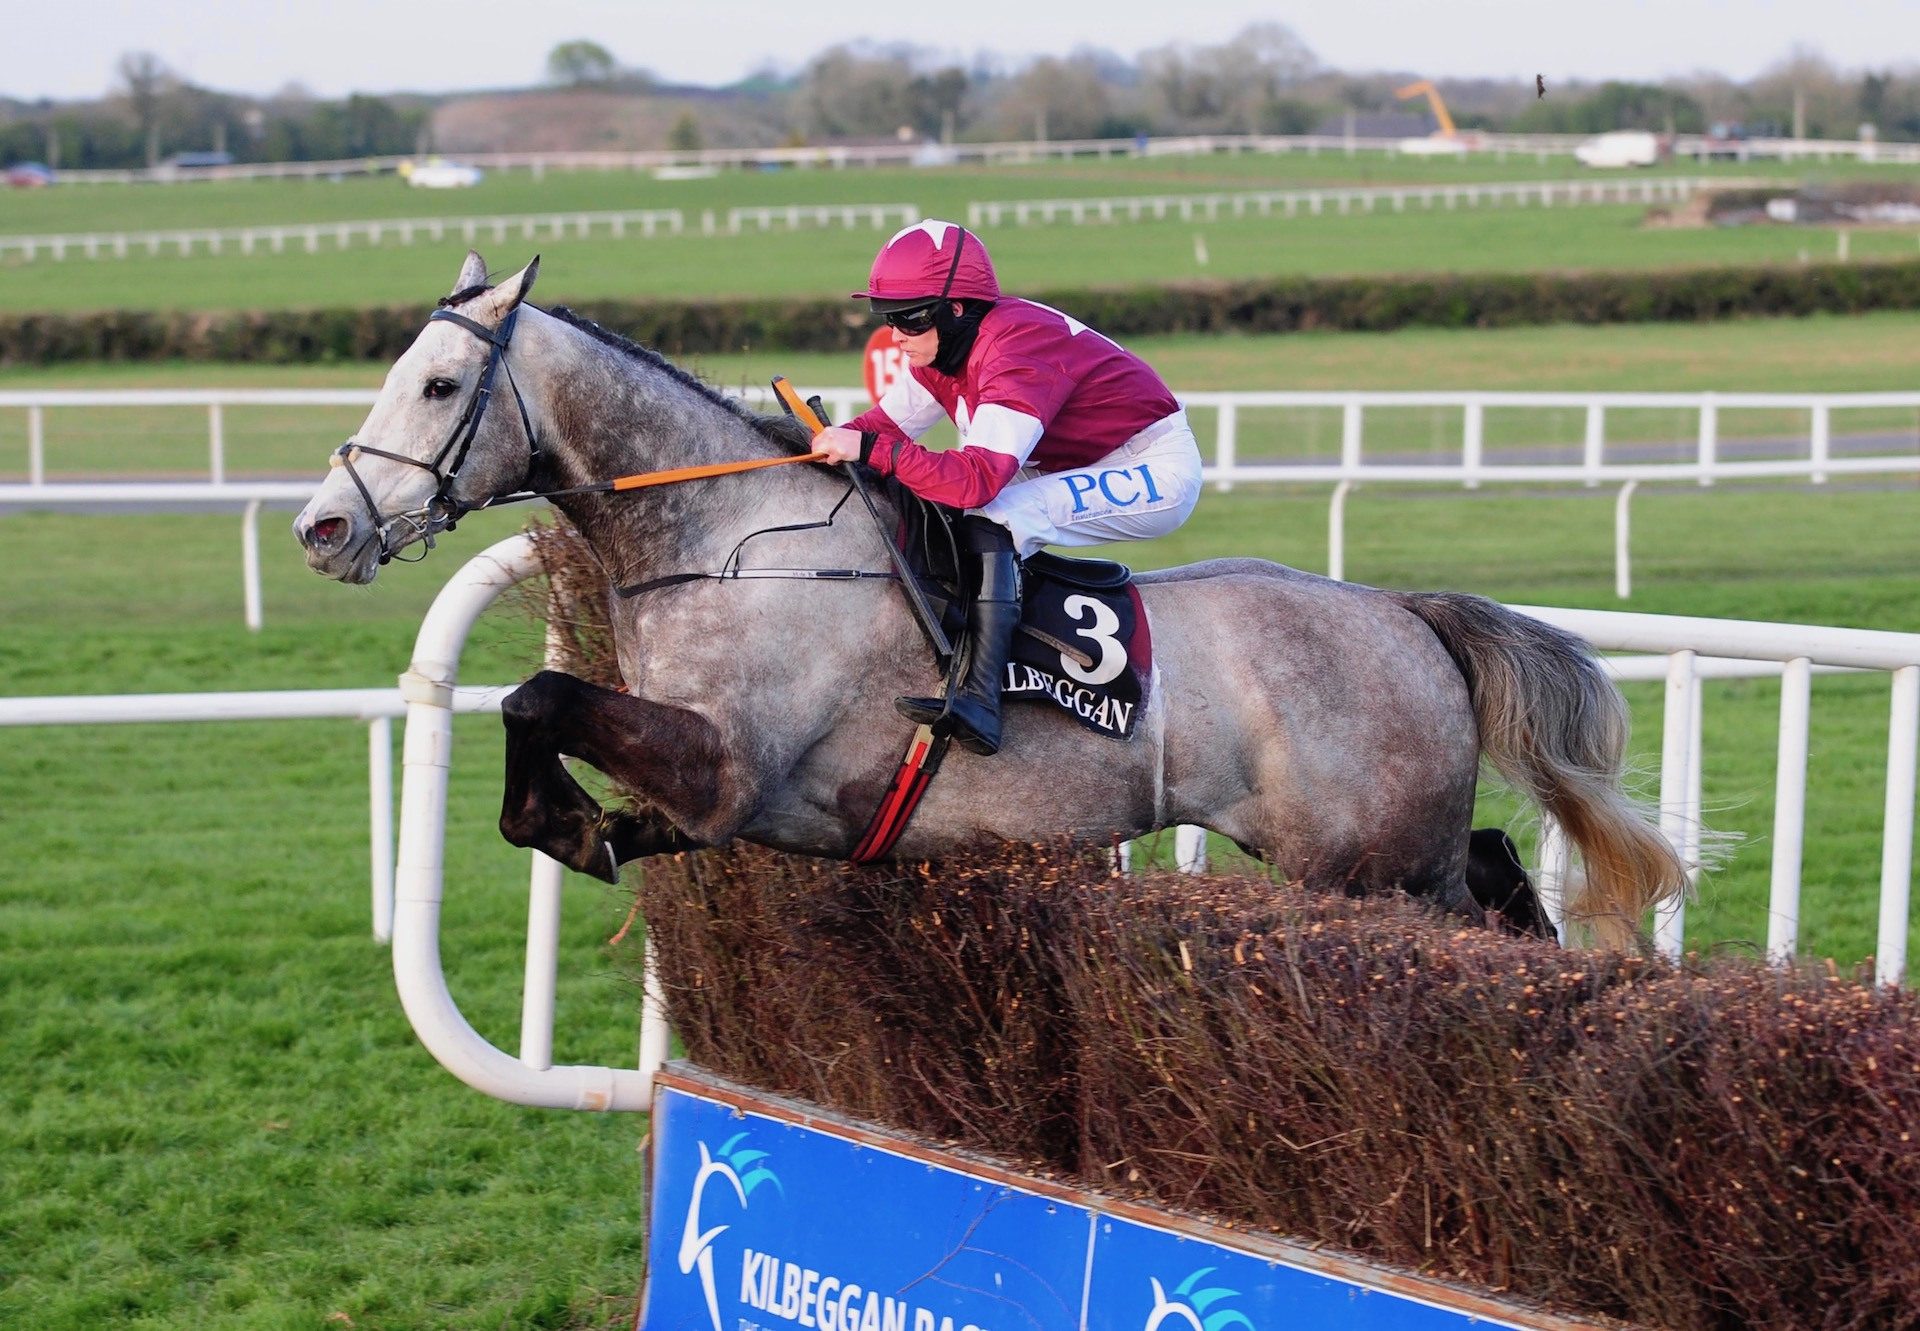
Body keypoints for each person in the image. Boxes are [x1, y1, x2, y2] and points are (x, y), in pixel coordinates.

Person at [812, 219, 1204, 757]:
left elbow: (974, 482)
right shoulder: (943, 354)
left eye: (907, 318)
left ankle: (980, 699)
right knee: (943, 509)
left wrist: (874, 452)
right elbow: (880, 430)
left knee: (994, 517)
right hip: (1064, 461)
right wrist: (809, 442)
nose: (895, 334)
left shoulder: (1014, 347)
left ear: (955, 310)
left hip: (1154, 465)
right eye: (887, 318)